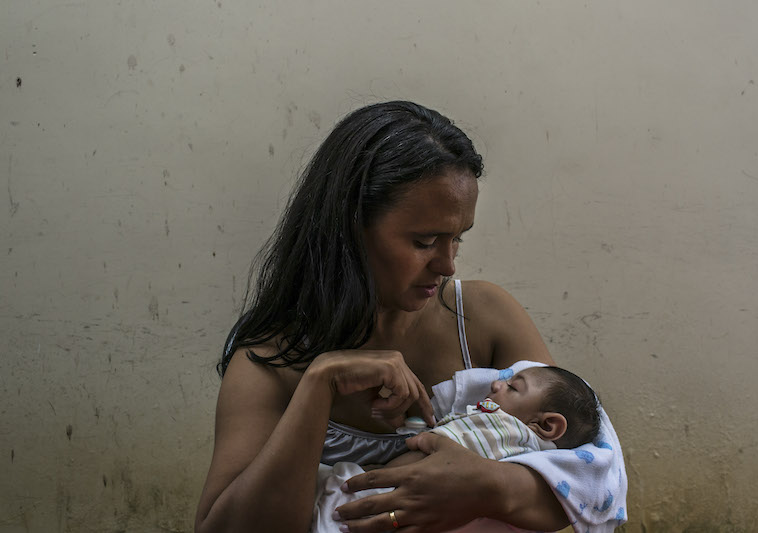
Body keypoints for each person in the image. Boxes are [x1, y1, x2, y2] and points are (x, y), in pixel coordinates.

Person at [194, 101, 626, 533]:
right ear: (350, 225)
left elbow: (597, 482)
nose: (447, 265)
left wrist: (484, 487)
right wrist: (319, 383)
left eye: (457, 239)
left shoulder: (486, 320)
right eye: (424, 241)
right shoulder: (270, 365)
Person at [311, 363, 605, 533]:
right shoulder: (510, 436)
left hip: (393, 499)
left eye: (513, 388)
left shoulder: (511, 431)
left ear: (547, 426)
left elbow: (453, 444)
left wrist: (421, 436)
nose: (495, 385)